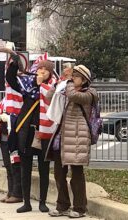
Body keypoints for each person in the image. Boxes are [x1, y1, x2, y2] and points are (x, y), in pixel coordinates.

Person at [46, 65, 98, 218]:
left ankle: (80, 208)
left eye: (76, 76)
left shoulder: (90, 93)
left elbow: (74, 96)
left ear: (84, 80)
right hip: (62, 137)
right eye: (72, 75)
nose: (73, 78)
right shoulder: (67, 88)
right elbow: (49, 97)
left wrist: (67, 83)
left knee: (77, 175)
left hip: (78, 138)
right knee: (58, 174)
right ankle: (62, 205)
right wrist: (57, 84)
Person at [6, 58, 56, 213]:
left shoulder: (53, 88)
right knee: (25, 168)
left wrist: (42, 85)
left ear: (50, 73)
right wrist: (14, 64)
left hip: (44, 133)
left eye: (46, 69)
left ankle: (42, 202)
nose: (42, 71)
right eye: (40, 68)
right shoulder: (28, 85)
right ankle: (26, 202)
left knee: (44, 168)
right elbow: (11, 80)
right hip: (27, 133)